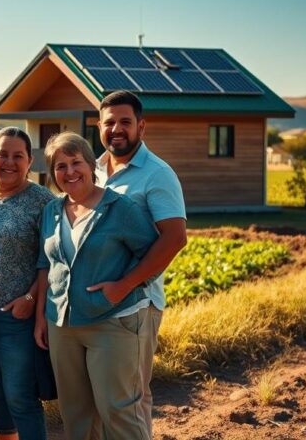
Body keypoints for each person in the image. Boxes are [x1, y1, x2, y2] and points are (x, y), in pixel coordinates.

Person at [33, 132, 158, 440]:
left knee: (119, 411)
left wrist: (123, 285)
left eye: (76, 162)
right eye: (60, 166)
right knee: (76, 415)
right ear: (53, 174)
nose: (70, 171)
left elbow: (153, 252)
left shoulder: (121, 208)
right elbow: (44, 265)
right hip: (62, 325)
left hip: (113, 321)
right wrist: (41, 318)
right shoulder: (51, 211)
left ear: (91, 165)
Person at [89, 90, 188, 435]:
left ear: (141, 126)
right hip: (97, 306)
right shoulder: (93, 170)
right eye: (109, 122)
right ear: (98, 127)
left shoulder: (157, 174)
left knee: (127, 401)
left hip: (135, 305)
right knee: (111, 402)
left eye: (125, 122)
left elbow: (174, 238)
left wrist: (124, 285)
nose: (117, 129)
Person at [0, 127, 54, 440]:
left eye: (18, 156)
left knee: (19, 395)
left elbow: (52, 259)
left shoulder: (43, 200)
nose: (9, 162)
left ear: (30, 162)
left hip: (17, 316)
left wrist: (30, 299)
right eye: (3, 154)